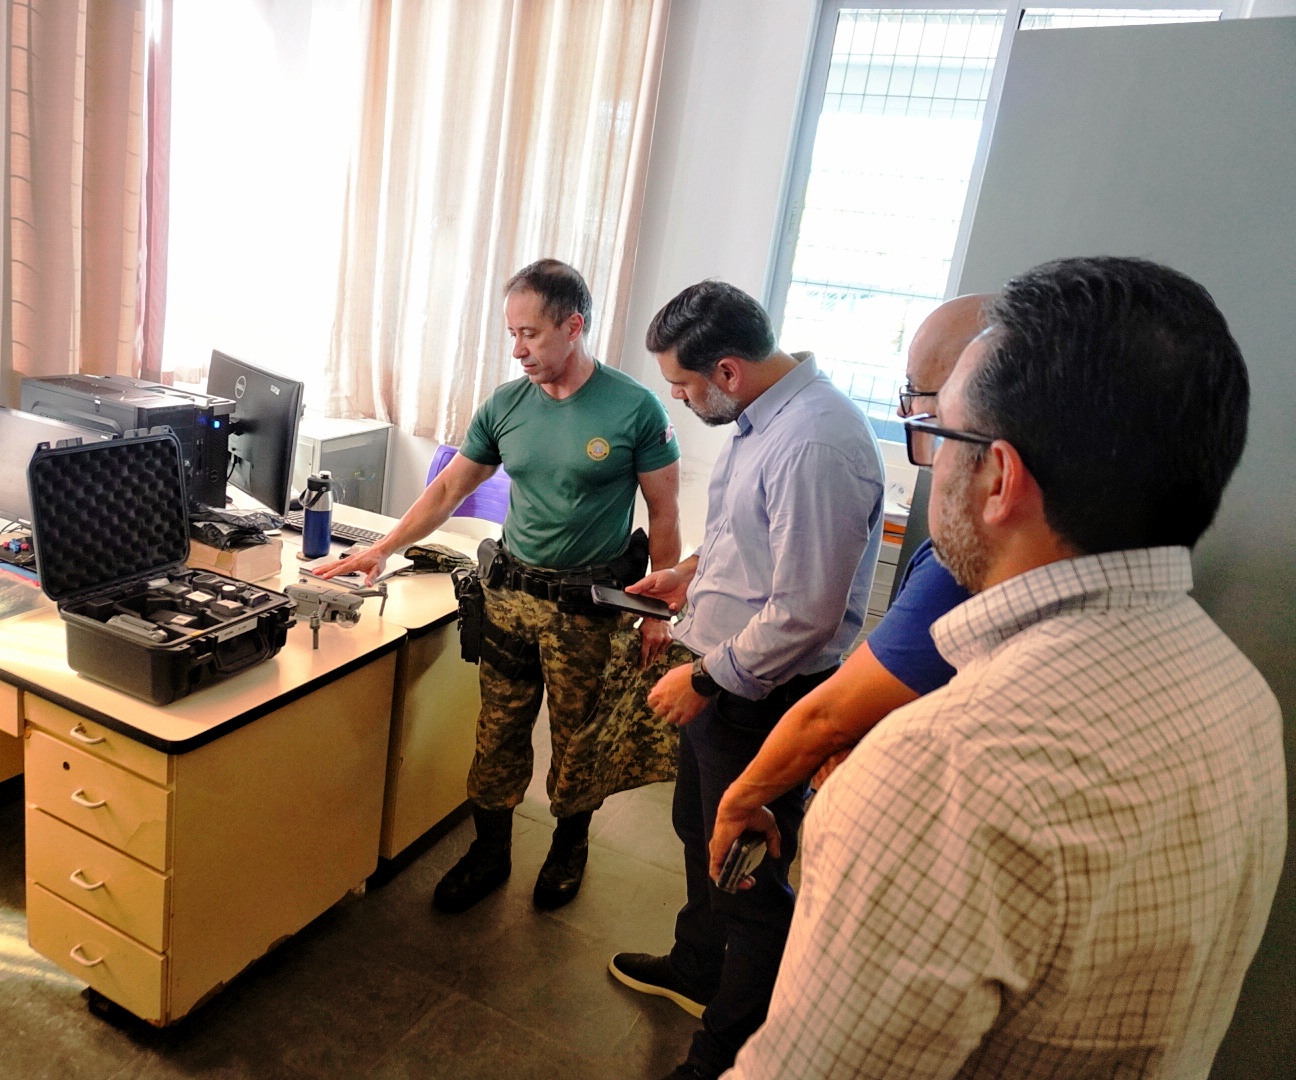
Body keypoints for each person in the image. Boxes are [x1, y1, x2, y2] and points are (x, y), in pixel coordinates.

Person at [731, 257, 1286, 1078]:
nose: (929, 463)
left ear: (997, 477)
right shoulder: (1237, 689)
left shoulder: (939, 769)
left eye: (938, 434)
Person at [316, 258, 681, 912]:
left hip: (587, 611)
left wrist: (657, 610)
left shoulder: (634, 409)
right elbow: (448, 490)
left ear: (573, 326)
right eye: (512, 334)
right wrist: (381, 548)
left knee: (579, 738)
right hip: (510, 600)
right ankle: (491, 851)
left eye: (530, 334)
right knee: (497, 730)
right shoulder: (506, 406)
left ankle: (569, 846)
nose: (518, 350)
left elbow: (666, 513)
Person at [605, 280, 884, 1080]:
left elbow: (805, 613)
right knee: (700, 833)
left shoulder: (815, 443)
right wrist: (687, 574)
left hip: (757, 694)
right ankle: (697, 968)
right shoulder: (764, 418)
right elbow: (747, 540)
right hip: (723, 677)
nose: (679, 399)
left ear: (727, 370)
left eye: (683, 386)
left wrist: (705, 681)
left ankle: (726, 1048)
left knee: (748, 877)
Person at [707, 294, 985, 871]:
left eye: (923, 411)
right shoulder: (768, 423)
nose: (932, 459)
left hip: (762, 683)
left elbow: (825, 701)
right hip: (736, 668)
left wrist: (742, 791)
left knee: (743, 874)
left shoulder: (960, 568)